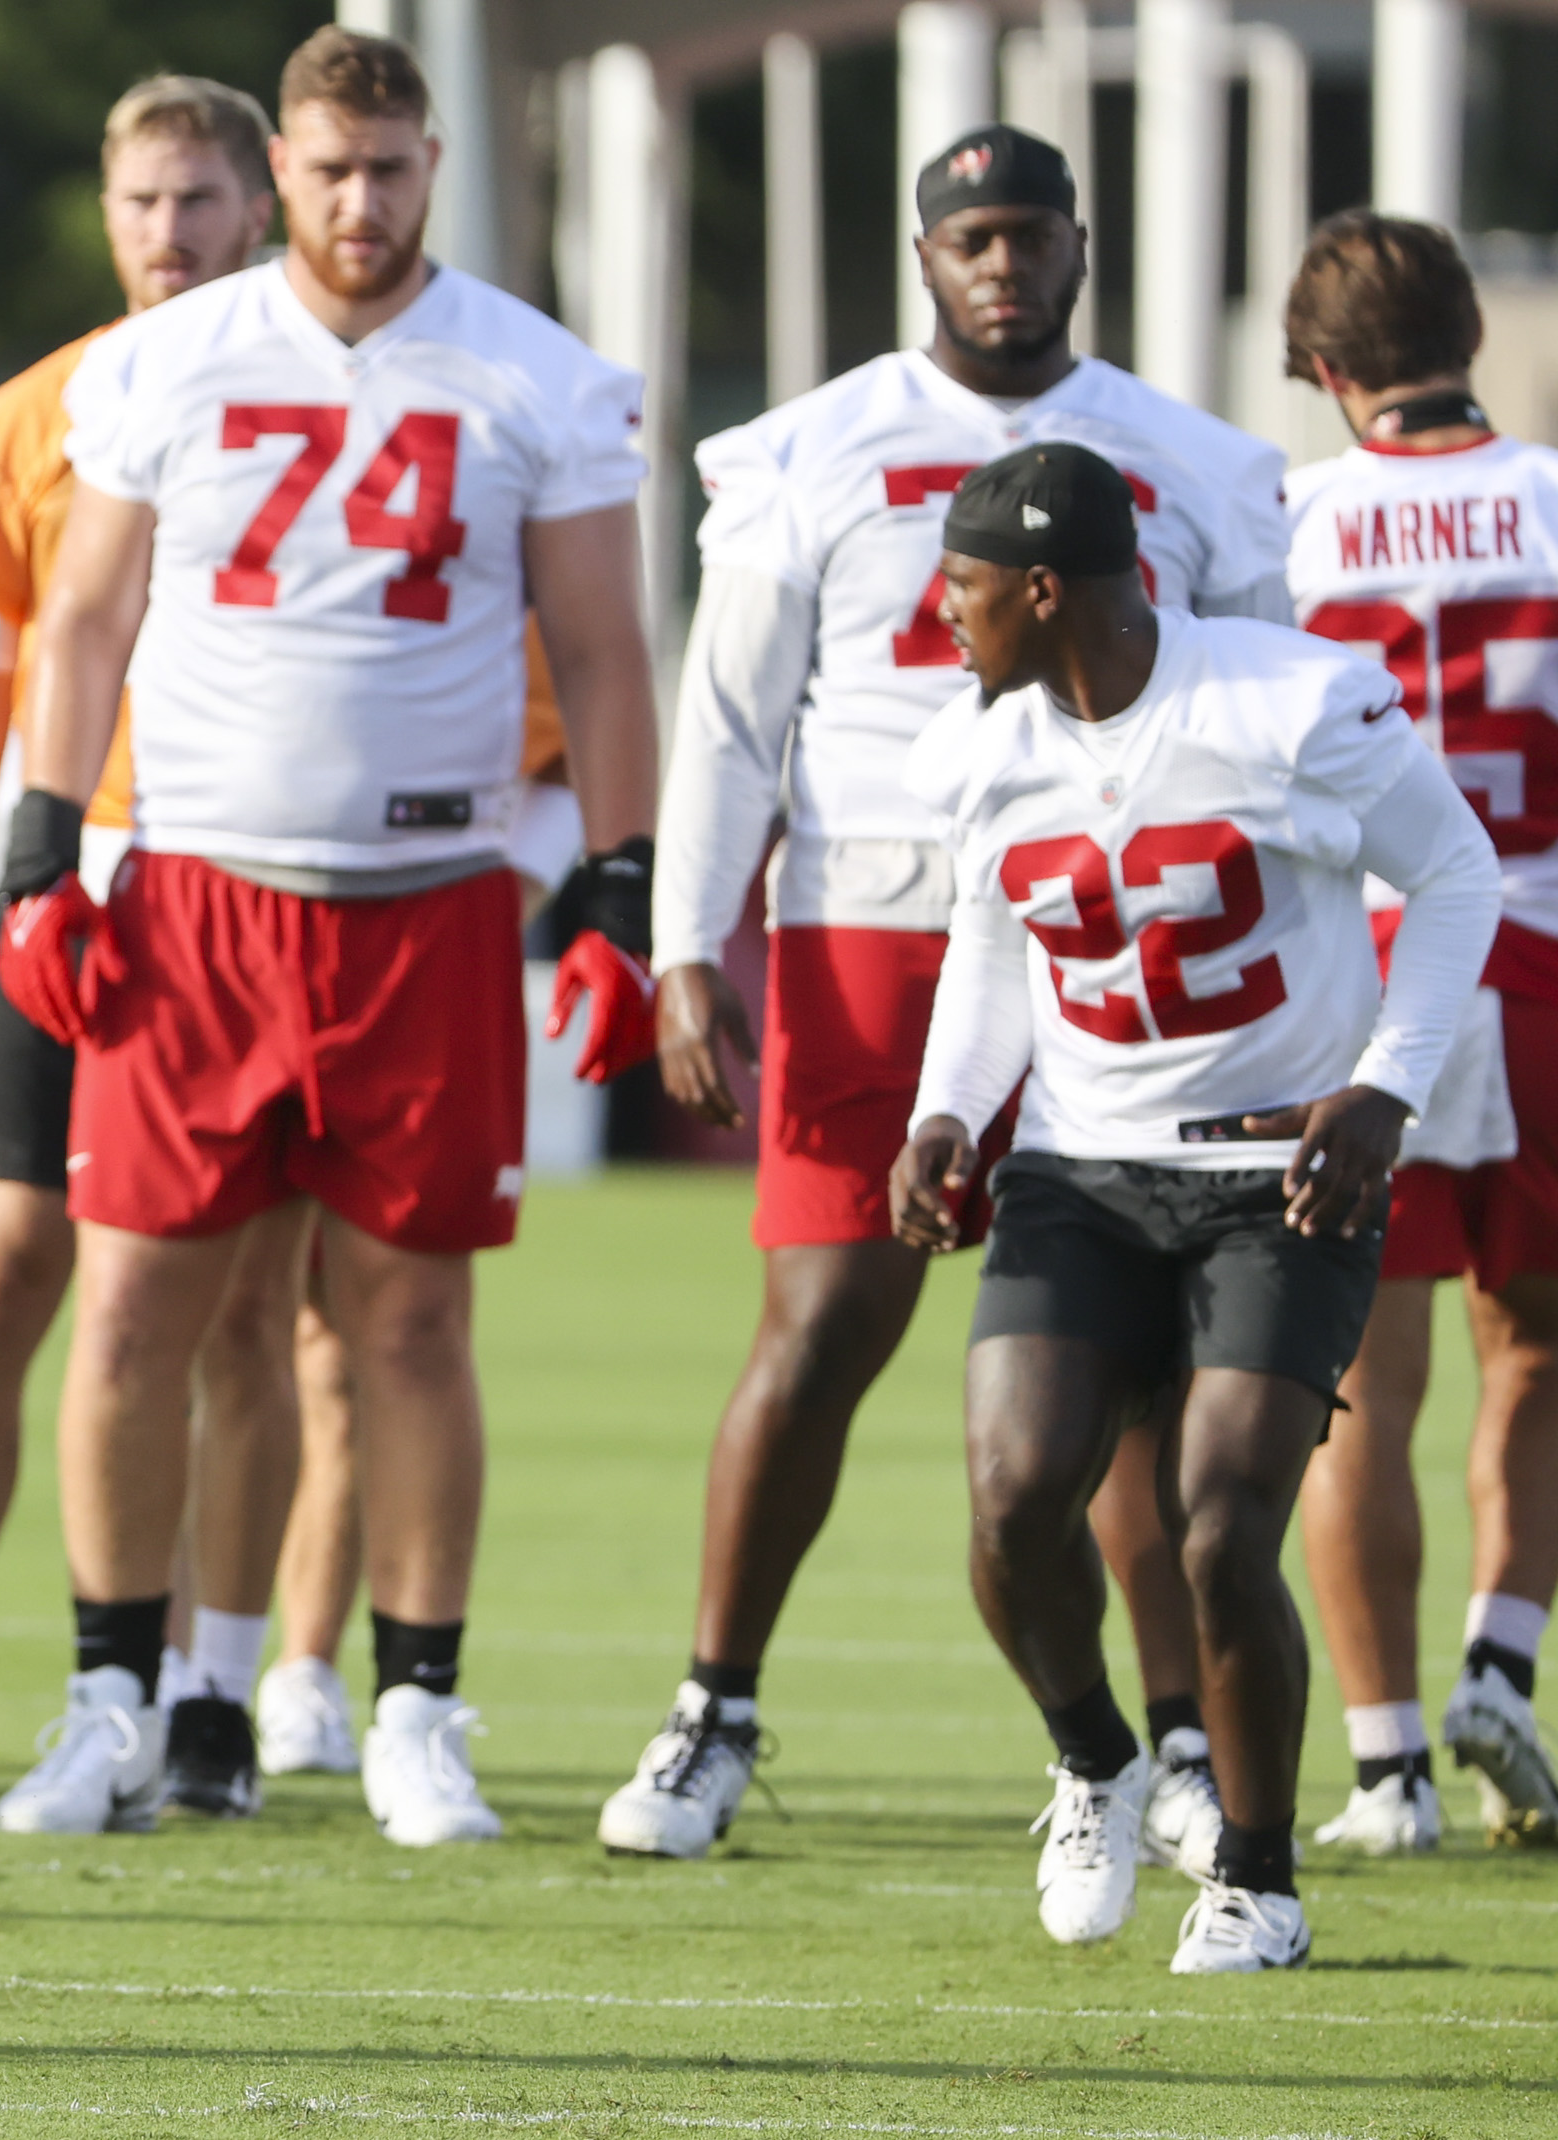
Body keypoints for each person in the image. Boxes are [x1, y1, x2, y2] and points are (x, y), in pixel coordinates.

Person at [0, 23, 661, 1843]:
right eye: (330, 170)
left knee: (411, 1319)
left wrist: (620, 885)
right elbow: (83, 620)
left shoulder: (539, 376)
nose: (361, 203)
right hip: (195, 888)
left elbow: (602, 648)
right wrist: (45, 854)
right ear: (279, 170)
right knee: (129, 1301)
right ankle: (111, 1699)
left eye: (392, 168)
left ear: (434, 162)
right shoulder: (163, 362)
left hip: (425, 904)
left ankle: (416, 1708)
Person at [619, 125, 1292, 1859]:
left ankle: (1186, 1750)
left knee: (1138, 1373)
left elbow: (1265, 729)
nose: (1001, 262)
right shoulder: (812, 449)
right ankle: (714, 1705)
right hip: (871, 927)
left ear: (1079, 242)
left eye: (1028, 232)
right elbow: (730, 718)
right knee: (826, 1322)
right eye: (970, 235)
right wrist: (689, 941)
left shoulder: (1192, 458)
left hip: (1114, 941)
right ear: (925, 256)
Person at [894, 441, 1496, 1972]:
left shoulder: (1286, 701)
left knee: (1223, 1525)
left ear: (1043, 588)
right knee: (1016, 1491)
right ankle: (1097, 1757)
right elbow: (993, 947)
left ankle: (1260, 1872)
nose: (939, 611)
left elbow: (1457, 876)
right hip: (1084, 1168)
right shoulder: (977, 752)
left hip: (1276, 1170)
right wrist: (947, 1112)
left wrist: (1386, 1086)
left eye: (961, 581)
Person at [0, 69, 309, 1818]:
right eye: (143, 202)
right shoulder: (41, 413)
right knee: (3, 1276)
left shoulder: (317, 393)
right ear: (106, 215)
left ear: (256, 205)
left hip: (251, 886)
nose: (173, 233)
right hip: (77, 883)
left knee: (242, 1309)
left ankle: (207, 1701)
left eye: (201, 199)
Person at [1280, 208, 1558, 1853]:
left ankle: (1385, 1771)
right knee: (1531, 1340)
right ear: (1464, 332)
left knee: (1354, 1385)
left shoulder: (1285, 520)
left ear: (1327, 374)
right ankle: (1503, 1672)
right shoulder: (1554, 501)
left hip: (1362, 970)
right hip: (1538, 951)